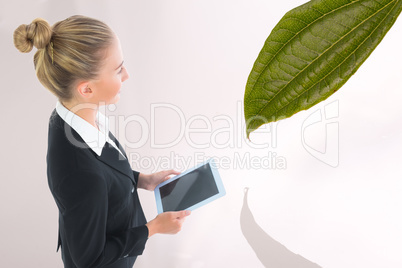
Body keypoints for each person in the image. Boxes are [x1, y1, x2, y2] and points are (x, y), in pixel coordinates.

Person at [13, 15, 191, 268]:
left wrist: (141, 179)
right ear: (86, 89)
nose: (127, 75)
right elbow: (90, 258)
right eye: (118, 70)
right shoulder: (80, 170)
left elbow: (103, 172)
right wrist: (153, 228)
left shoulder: (73, 115)